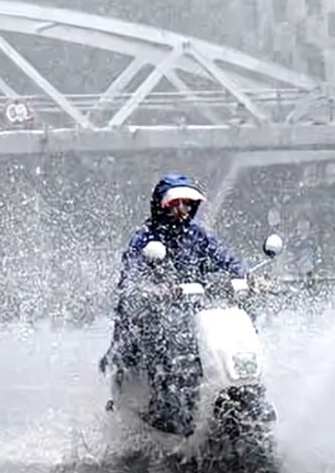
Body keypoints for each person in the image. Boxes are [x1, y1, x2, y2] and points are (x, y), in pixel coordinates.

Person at [101, 173, 248, 433]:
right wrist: (150, 289)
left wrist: (250, 278)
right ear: (161, 205)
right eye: (175, 203)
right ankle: (166, 409)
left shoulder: (198, 235)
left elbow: (227, 260)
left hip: (197, 316)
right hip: (155, 318)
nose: (182, 209)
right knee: (166, 343)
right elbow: (131, 278)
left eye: (187, 203)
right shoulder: (145, 238)